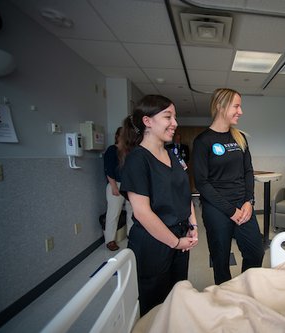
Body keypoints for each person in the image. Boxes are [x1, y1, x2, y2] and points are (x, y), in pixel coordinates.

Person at [119, 95, 199, 316]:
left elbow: (185, 195)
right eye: (168, 116)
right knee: (154, 305)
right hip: (154, 243)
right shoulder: (138, 159)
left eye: (175, 116)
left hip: (180, 238)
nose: (174, 122)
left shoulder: (173, 156)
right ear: (147, 121)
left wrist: (193, 226)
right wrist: (175, 242)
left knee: (176, 295)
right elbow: (143, 213)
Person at [192, 88, 264, 285]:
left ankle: (245, 288)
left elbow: (248, 171)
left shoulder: (240, 137)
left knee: (255, 251)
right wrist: (230, 210)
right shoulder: (203, 141)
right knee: (220, 258)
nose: (240, 111)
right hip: (217, 208)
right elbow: (202, 183)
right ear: (220, 106)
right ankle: (224, 296)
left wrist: (249, 201)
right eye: (236, 106)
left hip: (243, 205)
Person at [103, 127, 133, 251]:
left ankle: (131, 234)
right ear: (117, 136)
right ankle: (110, 240)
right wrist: (114, 187)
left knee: (132, 212)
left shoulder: (129, 152)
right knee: (113, 214)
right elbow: (108, 169)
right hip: (116, 185)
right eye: (123, 134)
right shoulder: (112, 150)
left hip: (129, 186)